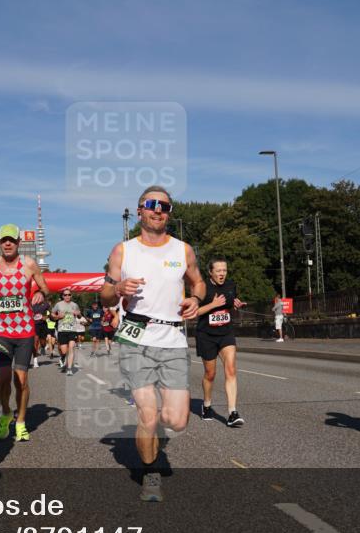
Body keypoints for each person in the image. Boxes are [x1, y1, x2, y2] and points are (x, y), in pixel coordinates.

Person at [101, 186, 205, 502]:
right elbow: (104, 294)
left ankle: (155, 436)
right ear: (140, 209)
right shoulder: (123, 250)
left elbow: (198, 280)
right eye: (151, 204)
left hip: (173, 338)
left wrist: (196, 298)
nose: (158, 210)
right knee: (148, 414)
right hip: (136, 337)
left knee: (177, 420)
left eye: (165, 206)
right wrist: (117, 288)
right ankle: (151, 474)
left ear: (169, 212)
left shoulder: (182, 250)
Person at [0, 224, 50, 442]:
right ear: (0, 244)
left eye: (11, 240)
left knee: (21, 379)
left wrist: (40, 292)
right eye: (4, 240)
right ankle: (6, 412)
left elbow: (46, 288)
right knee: (2, 379)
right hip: (1, 331)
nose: (8, 243)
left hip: (24, 331)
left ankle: (20, 421)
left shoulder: (29, 264)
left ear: (19, 242)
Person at [195, 258, 246, 426]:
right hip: (206, 335)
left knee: (231, 369)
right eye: (218, 271)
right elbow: (194, 312)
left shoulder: (231, 285)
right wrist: (213, 304)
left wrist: (236, 304)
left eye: (224, 270)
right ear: (210, 272)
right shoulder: (201, 287)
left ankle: (232, 412)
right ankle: (207, 405)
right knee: (210, 374)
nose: (222, 274)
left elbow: (231, 303)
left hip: (226, 333)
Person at [51, 290, 83, 375]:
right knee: (64, 351)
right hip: (62, 330)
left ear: (71, 295)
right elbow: (52, 315)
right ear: (63, 296)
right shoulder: (58, 304)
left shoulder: (75, 305)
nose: (67, 296)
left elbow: (79, 316)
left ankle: (69, 369)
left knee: (71, 347)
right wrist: (58, 316)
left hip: (72, 330)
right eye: (65, 295)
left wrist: (78, 314)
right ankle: (63, 358)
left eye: (69, 294)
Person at [31, 291, 51, 357]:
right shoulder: (31, 304)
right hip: (34, 324)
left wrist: (46, 317)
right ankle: (35, 358)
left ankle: (42, 347)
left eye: (39, 296)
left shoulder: (46, 304)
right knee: (35, 341)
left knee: (43, 341)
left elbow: (50, 313)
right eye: (36, 296)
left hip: (43, 324)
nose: (37, 297)